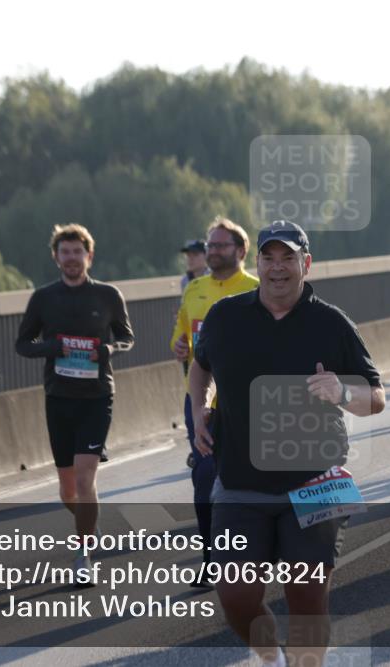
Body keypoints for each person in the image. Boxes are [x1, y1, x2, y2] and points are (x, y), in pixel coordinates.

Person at [189, 220, 385, 667]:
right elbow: (201, 365)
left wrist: (343, 393)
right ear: (256, 263)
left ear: (306, 263)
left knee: (307, 602)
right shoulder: (225, 316)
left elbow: (376, 397)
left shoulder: (331, 323)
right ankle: (272, 659)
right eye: (269, 257)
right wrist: (200, 406)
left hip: (314, 481)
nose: (278, 267)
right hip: (239, 481)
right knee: (235, 597)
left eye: (289, 257)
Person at [15, 223, 134, 582]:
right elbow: (22, 344)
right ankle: (88, 522)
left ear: (89, 255)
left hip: (97, 396)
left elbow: (127, 338)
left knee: (85, 477)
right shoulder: (43, 298)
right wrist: (51, 348)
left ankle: (84, 556)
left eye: (77, 252)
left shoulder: (108, 296)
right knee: (67, 487)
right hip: (59, 397)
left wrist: (108, 349)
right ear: (56, 257)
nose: (71, 258)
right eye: (64, 252)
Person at [170, 217, 258, 585]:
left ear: (240, 251)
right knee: (204, 478)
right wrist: (177, 347)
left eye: (220, 245)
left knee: (252, 481)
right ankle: (211, 559)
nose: (212, 251)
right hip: (202, 402)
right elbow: (182, 337)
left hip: (250, 403)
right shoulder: (195, 289)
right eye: (209, 245)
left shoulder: (257, 287)